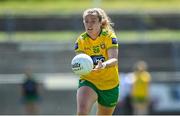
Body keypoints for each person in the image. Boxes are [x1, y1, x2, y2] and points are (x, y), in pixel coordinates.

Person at [74, 8, 119, 115]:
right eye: (86, 21)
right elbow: (80, 61)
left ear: (100, 22)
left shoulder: (109, 36)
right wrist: (78, 66)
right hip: (89, 80)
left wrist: (103, 65)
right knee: (82, 112)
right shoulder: (81, 40)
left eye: (93, 21)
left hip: (109, 84)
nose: (89, 24)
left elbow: (114, 59)